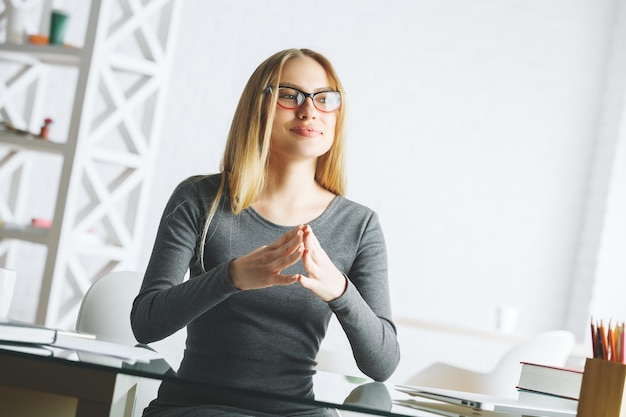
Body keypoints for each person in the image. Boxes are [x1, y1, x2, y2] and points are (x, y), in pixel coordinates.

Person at [131, 48, 401, 417]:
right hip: (198, 408)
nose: (309, 110)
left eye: (325, 99)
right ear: (258, 107)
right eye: (290, 95)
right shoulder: (200, 198)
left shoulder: (359, 225)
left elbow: (382, 364)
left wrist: (339, 290)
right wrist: (232, 277)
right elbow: (145, 324)